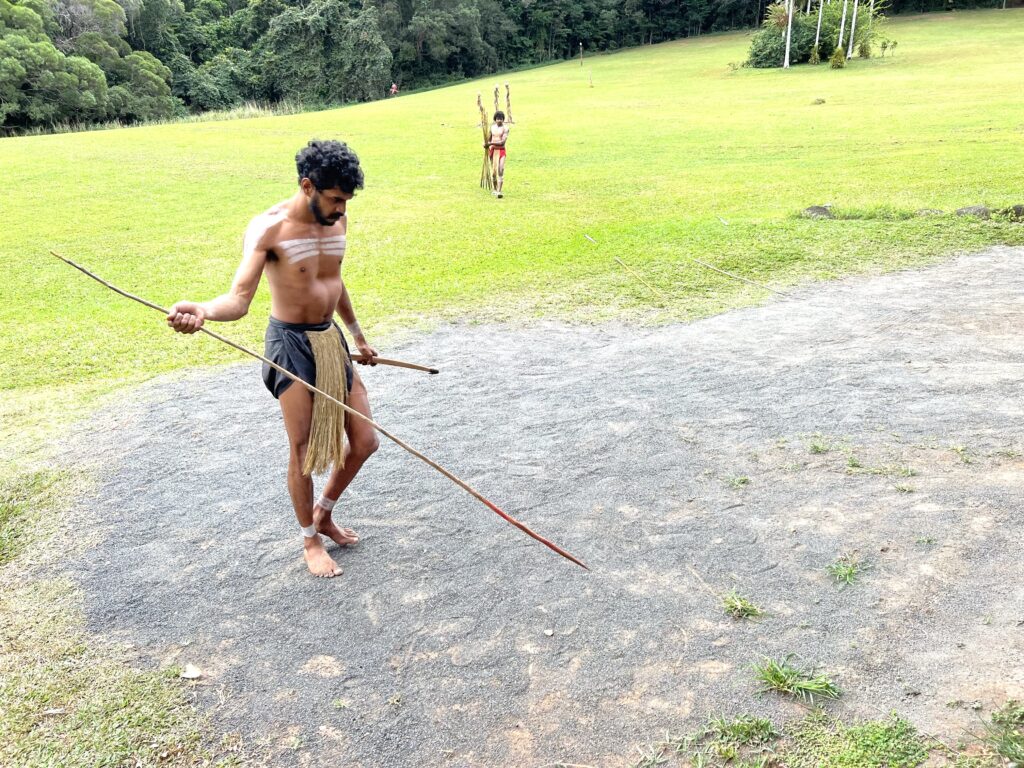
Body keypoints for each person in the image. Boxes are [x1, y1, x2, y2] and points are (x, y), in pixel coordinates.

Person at [166, 140, 380, 579]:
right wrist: (203, 311)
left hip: (330, 339)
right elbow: (239, 299)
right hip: (291, 345)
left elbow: (334, 280)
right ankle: (310, 539)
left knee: (364, 441)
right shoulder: (269, 229)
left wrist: (357, 336)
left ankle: (323, 511)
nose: (342, 209)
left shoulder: (339, 219)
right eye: (336, 199)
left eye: (347, 201)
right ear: (308, 186)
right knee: (302, 449)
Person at [486, 111, 510, 198]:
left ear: (503, 120)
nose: (499, 120)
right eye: (497, 119)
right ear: (495, 119)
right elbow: (488, 140)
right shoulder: (492, 128)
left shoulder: (505, 128)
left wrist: (490, 143)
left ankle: (499, 191)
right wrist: (485, 144)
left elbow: (502, 142)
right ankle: (495, 190)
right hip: (493, 150)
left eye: (501, 119)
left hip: (501, 150)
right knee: (494, 172)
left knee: (501, 169)